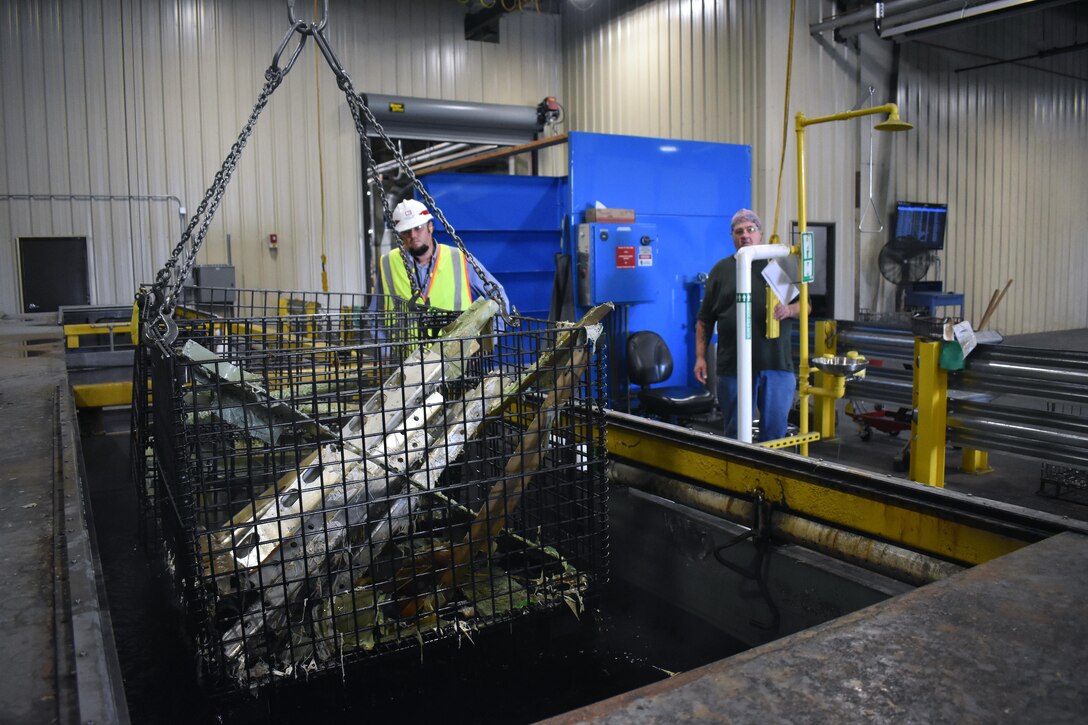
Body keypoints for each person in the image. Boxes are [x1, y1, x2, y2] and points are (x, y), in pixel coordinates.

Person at [693, 209, 805, 442]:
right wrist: (700, 357)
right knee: (736, 433)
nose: (745, 235)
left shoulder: (772, 269)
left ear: (760, 234)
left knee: (774, 434)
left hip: (775, 364)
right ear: (732, 236)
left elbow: (804, 307)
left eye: (750, 230)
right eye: (739, 231)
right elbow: (704, 320)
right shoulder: (721, 271)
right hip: (733, 365)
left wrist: (789, 310)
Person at [376, 198, 509, 314]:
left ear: (430, 227)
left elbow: (498, 297)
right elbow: (376, 314)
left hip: (453, 343)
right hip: (405, 343)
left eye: (418, 228)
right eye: (406, 231)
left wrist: (489, 340)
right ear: (400, 235)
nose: (413, 235)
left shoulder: (459, 259)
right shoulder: (389, 263)